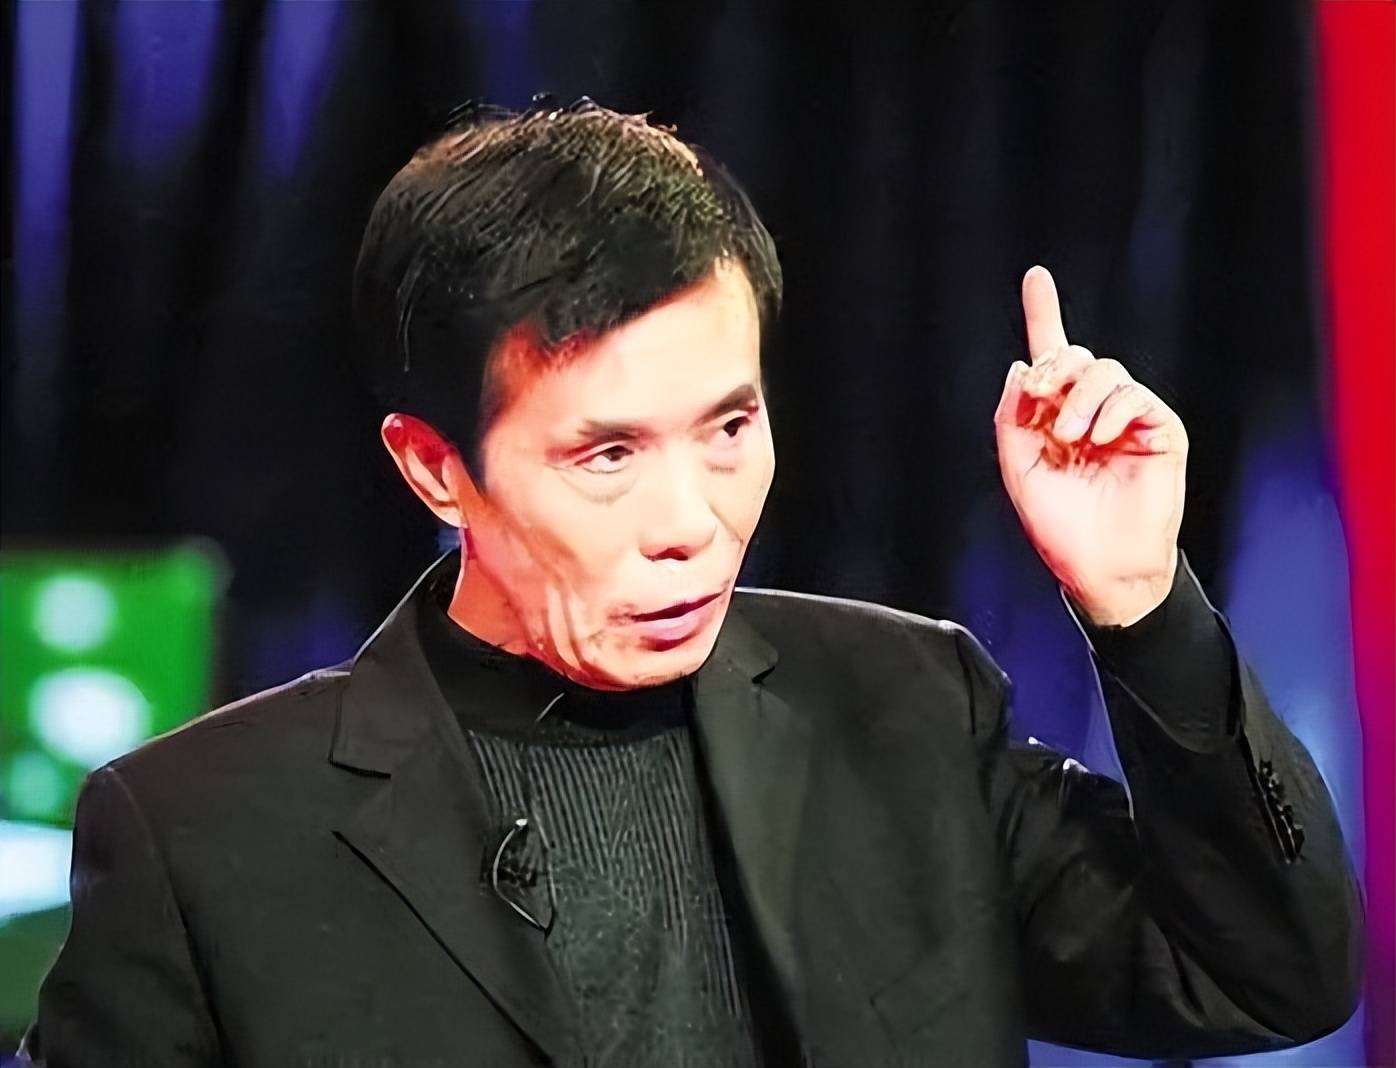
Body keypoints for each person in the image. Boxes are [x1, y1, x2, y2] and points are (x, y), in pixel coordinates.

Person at [20, 96, 1363, 1068]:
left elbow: (1264, 978)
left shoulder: (901, 706)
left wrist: (1141, 603)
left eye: (729, 428)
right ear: (436, 469)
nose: (692, 523)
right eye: (606, 455)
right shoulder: (206, 838)